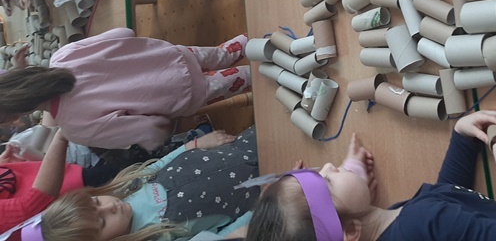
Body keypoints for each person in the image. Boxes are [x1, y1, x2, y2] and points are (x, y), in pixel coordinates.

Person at [245, 110, 496, 241]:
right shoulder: (420, 219)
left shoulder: (398, 224)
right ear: (351, 231)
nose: (328, 166)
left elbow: (446, 198)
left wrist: (462, 142)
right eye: (327, 181)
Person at [34, 130, 377, 241]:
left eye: (97, 204)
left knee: (281, 131)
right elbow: (230, 234)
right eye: (102, 221)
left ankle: (348, 178)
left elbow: (157, 167)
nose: (110, 207)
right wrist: (270, 202)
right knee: (318, 181)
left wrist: (194, 144)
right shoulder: (156, 236)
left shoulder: (125, 190)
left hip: (236, 151)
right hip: (259, 192)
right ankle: (353, 184)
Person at [0, 28, 252, 151]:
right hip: (174, 56)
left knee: (246, 78)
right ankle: (263, 34)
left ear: (15, 116)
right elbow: (125, 32)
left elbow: (151, 131)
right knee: (226, 52)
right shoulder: (62, 57)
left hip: (182, 94)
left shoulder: (76, 128)